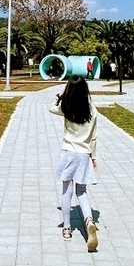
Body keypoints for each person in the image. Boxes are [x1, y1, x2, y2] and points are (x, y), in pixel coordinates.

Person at [49, 76, 99, 252]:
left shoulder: (66, 107)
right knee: (82, 192)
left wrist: (59, 95)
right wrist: (93, 157)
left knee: (66, 192)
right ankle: (89, 220)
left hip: (68, 153)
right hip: (84, 154)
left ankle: (67, 229)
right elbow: (93, 137)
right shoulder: (92, 110)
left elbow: (51, 108)